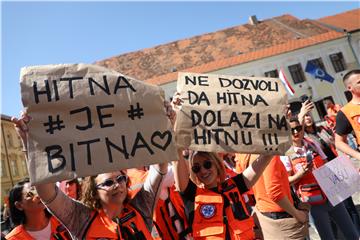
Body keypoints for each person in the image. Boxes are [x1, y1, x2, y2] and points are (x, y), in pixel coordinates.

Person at [11, 101, 174, 239]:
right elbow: (46, 191)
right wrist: (29, 142)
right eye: (108, 182)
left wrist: (164, 125)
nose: (117, 185)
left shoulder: (141, 206)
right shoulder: (80, 218)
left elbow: (160, 168)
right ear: (93, 191)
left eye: (120, 179)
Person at [284, 117, 359, 239]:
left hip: (331, 195)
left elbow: (327, 165)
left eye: (298, 128)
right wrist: (300, 174)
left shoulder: (312, 144)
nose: (296, 132)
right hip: (312, 203)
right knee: (328, 237)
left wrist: (350, 173)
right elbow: (286, 181)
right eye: (291, 130)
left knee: (352, 234)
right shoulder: (286, 153)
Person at [252, 155, 309, 240]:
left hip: (267, 215)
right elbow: (274, 192)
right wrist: (297, 214)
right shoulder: (270, 153)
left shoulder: (248, 153)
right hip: (281, 217)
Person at [5, 178, 71, 240]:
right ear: (19, 205)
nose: (38, 195)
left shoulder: (63, 221)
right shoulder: (13, 238)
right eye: (30, 194)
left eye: (39, 190)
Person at [335, 69, 360, 161]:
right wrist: (357, 156)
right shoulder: (345, 112)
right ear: (349, 88)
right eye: (359, 82)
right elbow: (339, 142)